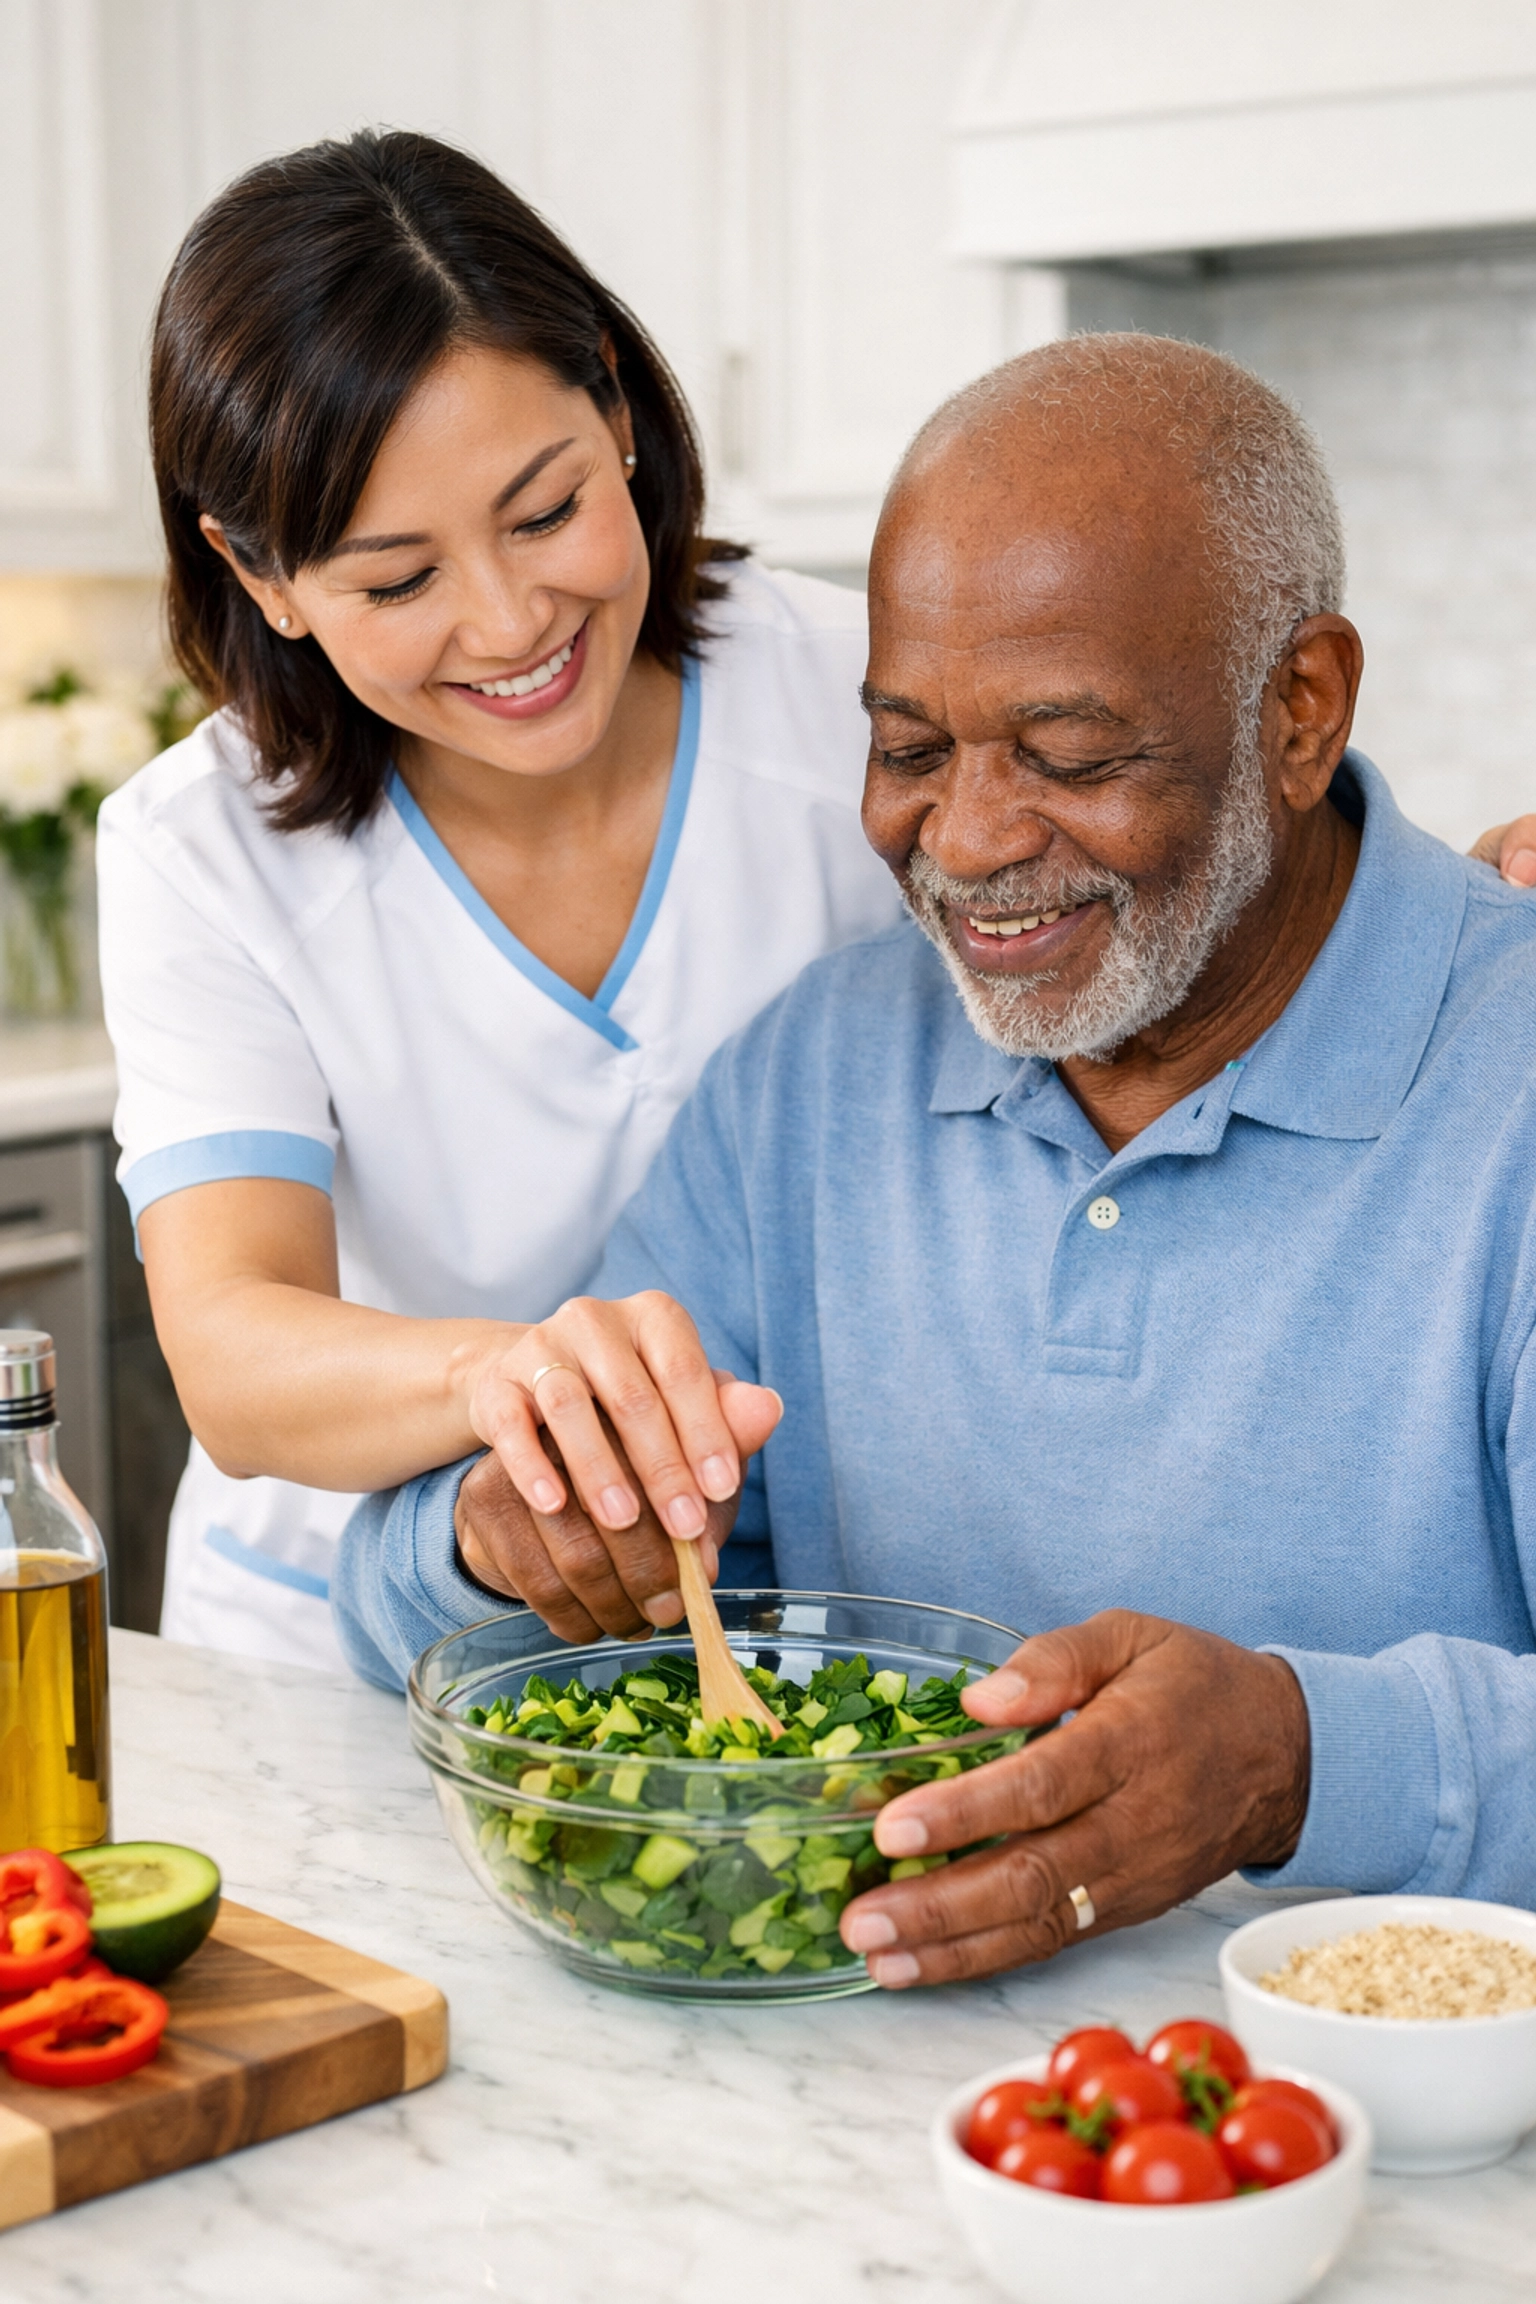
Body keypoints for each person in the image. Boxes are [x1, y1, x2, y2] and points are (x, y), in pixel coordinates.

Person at [336, 334, 1536, 1987]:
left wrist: (1292, 1756)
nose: (965, 841)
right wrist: (501, 1531)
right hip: (856, 2102)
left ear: (1299, 712)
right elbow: (402, 1608)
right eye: (908, 749)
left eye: (1072, 753)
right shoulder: (818, 1075)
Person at [97, 129, 898, 1669]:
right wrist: (524, 1380)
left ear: (614, 403)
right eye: (394, 582)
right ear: (259, 576)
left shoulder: (854, 690)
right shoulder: (199, 849)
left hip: (760, 1605)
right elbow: (235, 1344)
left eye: (544, 512)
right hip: (325, 1650)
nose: (512, 621)